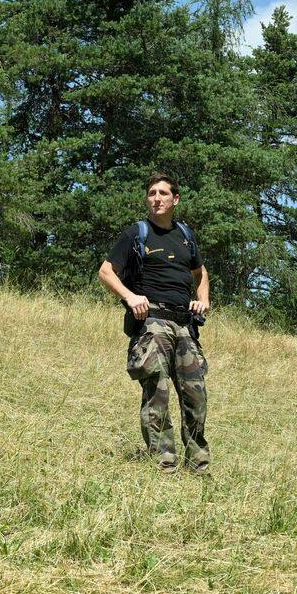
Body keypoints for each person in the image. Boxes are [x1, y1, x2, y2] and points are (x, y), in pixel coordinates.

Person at [98, 174, 211, 473]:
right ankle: (164, 465)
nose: (156, 198)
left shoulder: (185, 235)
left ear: (176, 199)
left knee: (196, 396)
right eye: (151, 193)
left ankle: (199, 466)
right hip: (153, 323)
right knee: (157, 396)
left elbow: (200, 272)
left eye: (163, 193)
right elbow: (106, 272)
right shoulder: (137, 233)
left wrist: (203, 299)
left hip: (185, 325)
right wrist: (130, 296)